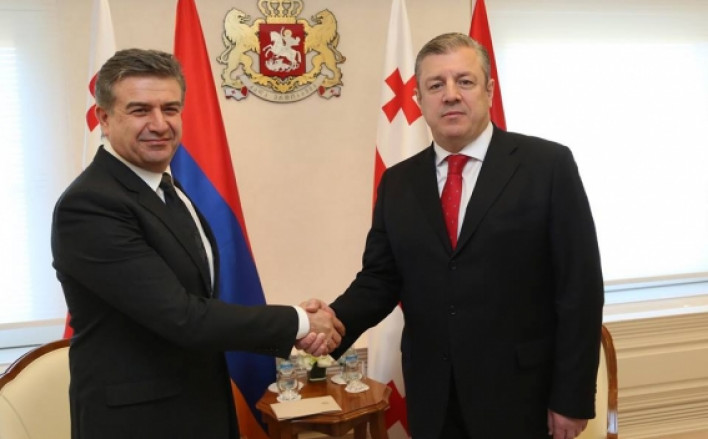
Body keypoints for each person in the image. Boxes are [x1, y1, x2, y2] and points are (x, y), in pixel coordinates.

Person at [308, 33, 604, 439]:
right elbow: (380, 279)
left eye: (464, 81)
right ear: (418, 99)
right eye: (436, 85)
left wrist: (571, 398)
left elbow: (580, 290)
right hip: (433, 397)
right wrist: (332, 323)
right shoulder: (398, 183)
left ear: (489, 91)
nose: (450, 95)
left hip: (522, 397)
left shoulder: (547, 166)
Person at [51, 48, 343, 439]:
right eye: (140, 110)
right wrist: (301, 321)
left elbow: (197, 298)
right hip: (139, 423)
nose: (160, 124)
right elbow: (181, 317)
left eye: (170, 109)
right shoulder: (91, 205)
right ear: (104, 118)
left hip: (200, 404)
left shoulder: (165, 187)